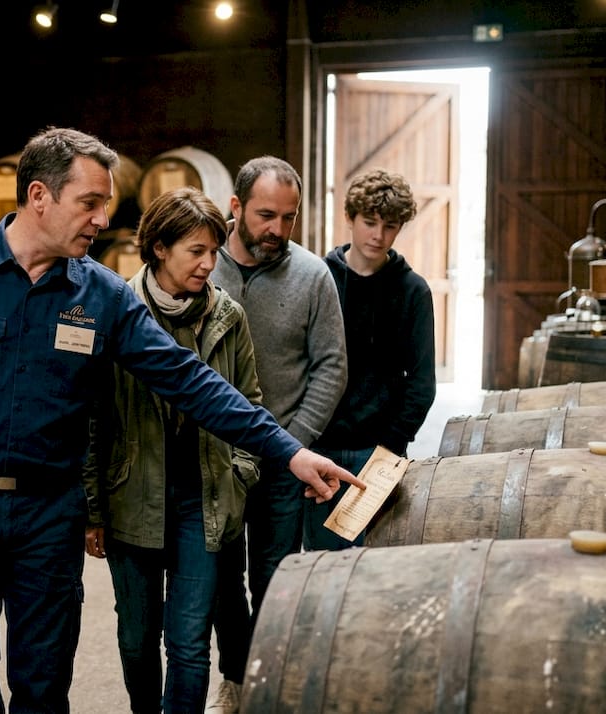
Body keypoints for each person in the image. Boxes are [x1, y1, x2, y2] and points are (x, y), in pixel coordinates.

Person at [0, 127, 363, 714]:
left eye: (106, 205)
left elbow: (190, 380)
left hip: (48, 515)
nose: (101, 219)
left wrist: (289, 451)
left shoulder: (102, 296)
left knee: (43, 681)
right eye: (89, 203)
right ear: (39, 196)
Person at [83, 187, 261, 714]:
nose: (209, 264)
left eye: (214, 252)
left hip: (202, 501)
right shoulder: (116, 312)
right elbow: (92, 420)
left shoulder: (228, 317)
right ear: (159, 247)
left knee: (188, 645)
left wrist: (239, 474)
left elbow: (250, 402)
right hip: (132, 498)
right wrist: (93, 508)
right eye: (196, 251)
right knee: (138, 640)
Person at [206, 156, 348, 713]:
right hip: (213, 460)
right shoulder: (201, 266)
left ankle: (269, 681)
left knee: (273, 578)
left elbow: (331, 367)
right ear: (236, 208)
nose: (278, 231)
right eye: (266, 216)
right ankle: (236, 677)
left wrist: (291, 443)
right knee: (220, 583)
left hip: (283, 459)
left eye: (289, 218)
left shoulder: (313, 276)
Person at [305, 167, 436, 550]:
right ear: (349, 217)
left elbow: (422, 382)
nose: (378, 235)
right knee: (321, 564)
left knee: (375, 569)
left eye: (390, 226)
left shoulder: (413, 291)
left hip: (379, 450)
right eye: (369, 222)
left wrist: (391, 449)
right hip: (321, 447)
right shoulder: (318, 279)